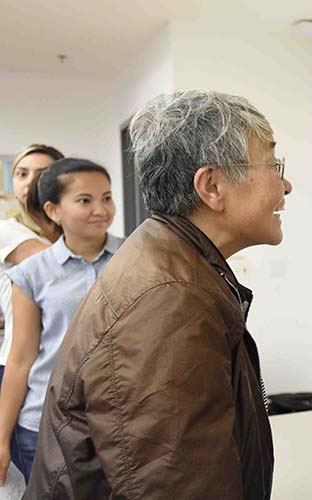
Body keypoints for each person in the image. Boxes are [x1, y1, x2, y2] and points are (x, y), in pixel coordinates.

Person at [23, 90, 291, 500]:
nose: (286, 185)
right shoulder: (170, 297)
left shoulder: (170, 261)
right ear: (212, 186)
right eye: (273, 165)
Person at [0, 158, 121, 483]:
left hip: (119, 420)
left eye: (106, 198)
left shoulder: (134, 257)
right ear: (53, 211)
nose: (101, 210)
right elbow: (21, 358)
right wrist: (1, 438)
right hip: (46, 424)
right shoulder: (31, 273)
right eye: (85, 200)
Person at [0, 145, 63, 390]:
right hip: (21, 367)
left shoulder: (66, 233)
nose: (30, 182)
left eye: (42, 173)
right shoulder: (7, 230)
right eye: (22, 174)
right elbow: (62, 267)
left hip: (65, 363)